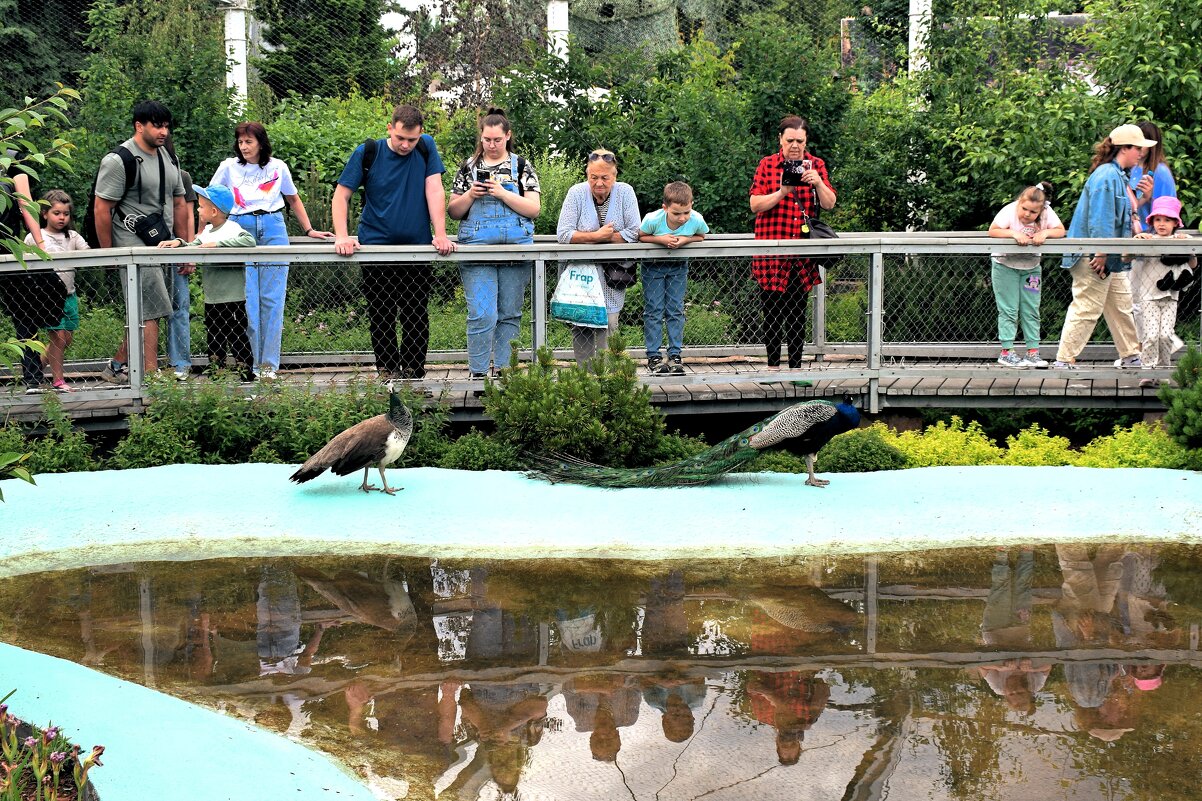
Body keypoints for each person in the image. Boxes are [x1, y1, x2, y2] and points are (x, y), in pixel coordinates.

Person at [332, 105, 456, 381]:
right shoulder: (368, 152)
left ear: (421, 134)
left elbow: (435, 189)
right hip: (376, 247)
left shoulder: (426, 147)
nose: (405, 144)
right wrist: (342, 235)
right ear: (390, 128)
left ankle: (413, 371)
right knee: (381, 312)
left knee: (415, 312)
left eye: (411, 140)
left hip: (417, 248)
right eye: (400, 138)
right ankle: (387, 371)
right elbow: (341, 196)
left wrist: (441, 233)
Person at [211, 121, 333, 380]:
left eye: (249, 142)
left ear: (261, 143)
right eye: (240, 142)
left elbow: (293, 198)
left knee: (272, 300)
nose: (244, 147)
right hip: (240, 229)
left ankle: (268, 366)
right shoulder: (228, 168)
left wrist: (309, 229)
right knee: (248, 300)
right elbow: (213, 199)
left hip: (273, 227)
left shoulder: (278, 167)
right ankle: (251, 364)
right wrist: (205, 235)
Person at [94, 100, 188, 383]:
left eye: (166, 126)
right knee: (151, 309)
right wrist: (109, 254)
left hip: (164, 243)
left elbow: (181, 202)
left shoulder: (168, 157)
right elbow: (102, 208)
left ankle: (116, 364)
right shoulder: (119, 159)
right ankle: (150, 377)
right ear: (139, 126)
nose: (164, 132)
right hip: (131, 243)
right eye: (157, 125)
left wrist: (185, 246)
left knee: (151, 308)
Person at [447, 108, 542, 379]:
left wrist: (501, 193)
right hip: (477, 249)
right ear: (481, 137)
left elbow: (534, 209)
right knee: (482, 313)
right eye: (486, 139)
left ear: (507, 136)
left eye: (497, 140)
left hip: (516, 250)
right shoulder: (468, 167)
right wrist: (470, 195)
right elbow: (453, 211)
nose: (491, 145)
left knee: (510, 313)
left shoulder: (522, 166)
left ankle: (504, 371)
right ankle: (477, 374)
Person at [1052, 124, 1154, 370]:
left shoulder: (1118, 175)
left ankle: (1130, 355)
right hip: (1095, 256)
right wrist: (1100, 253)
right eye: (1138, 148)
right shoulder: (1107, 176)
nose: (1141, 153)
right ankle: (1063, 361)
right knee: (1087, 307)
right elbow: (1101, 218)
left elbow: (1122, 216)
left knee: (1121, 306)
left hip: (1109, 257)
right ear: (1124, 148)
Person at [750, 116, 837, 371]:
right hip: (771, 253)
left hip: (803, 254)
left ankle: (797, 369)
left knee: (798, 315)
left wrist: (818, 182)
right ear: (781, 139)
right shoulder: (768, 165)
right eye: (790, 140)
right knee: (772, 315)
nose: (795, 145)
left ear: (806, 139)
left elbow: (829, 203)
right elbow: (755, 204)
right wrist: (781, 193)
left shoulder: (816, 165)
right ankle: (773, 368)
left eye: (800, 140)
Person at [158, 184, 257, 380]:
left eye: (201, 206)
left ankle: (246, 373)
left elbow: (250, 241)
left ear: (213, 211)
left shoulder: (232, 228)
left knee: (237, 335)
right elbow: (194, 245)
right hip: (212, 298)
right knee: (214, 335)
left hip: (233, 297)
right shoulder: (207, 232)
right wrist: (180, 242)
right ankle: (216, 373)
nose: (197, 209)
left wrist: (219, 245)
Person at [555, 149, 641, 367]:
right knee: (582, 324)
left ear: (615, 175)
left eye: (605, 177)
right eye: (594, 177)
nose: (599, 183)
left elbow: (634, 231)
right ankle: (585, 377)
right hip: (581, 275)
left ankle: (608, 376)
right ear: (587, 174)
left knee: (610, 323)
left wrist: (603, 239)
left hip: (613, 274)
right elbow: (564, 234)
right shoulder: (576, 193)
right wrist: (596, 236)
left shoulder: (625, 192)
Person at [0, 148, 61, 393]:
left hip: (9, 249)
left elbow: (27, 205)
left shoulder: (13, 157)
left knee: (24, 313)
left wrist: (40, 242)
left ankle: (32, 378)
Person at [986, 182, 1065, 368]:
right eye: (1024, 209)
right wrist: (1013, 233)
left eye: (1033, 212)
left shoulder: (1047, 212)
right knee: (1009, 309)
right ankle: (1007, 352)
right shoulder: (1009, 211)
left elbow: (1060, 230)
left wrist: (1045, 233)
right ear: (1019, 203)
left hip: (1031, 267)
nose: (1027, 215)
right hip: (1005, 265)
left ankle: (1033, 352)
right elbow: (993, 230)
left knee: (1031, 309)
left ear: (1040, 211)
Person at [638, 181, 709, 375]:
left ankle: (675, 354)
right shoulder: (653, 219)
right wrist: (659, 239)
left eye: (686, 212)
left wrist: (687, 239)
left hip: (678, 267)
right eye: (676, 213)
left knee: (675, 309)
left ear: (691, 205)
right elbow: (641, 236)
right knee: (654, 310)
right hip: (653, 267)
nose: (682, 218)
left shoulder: (696, 219)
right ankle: (654, 355)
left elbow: (702, 236)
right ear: (665, 208)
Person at [22, 190, 88, 392]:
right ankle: (58, 381)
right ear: (44, 214)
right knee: (57, 337)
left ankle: (38, 368)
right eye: (56, 213)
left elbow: (89, 254)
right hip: (47, 296)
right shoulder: (35, 237)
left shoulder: (73, 236)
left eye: (65, 214)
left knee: (66, 338)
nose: (61, 218)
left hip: (70, 295)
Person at [1128, 196, 1196, 385]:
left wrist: (1186, 246)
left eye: (1167, 220)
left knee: (1166, 335)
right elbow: (1126, 258)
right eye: (1158, 220)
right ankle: (1148, 371)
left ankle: (1163, 369)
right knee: (1150, 335)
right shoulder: (1148, 239)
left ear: (1175, 222)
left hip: (1170, 296)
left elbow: (1193, 263)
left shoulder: (1180, 240)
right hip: (1149, 295)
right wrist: (1137, 239)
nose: (1162, 224)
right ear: (1152, 222)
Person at [163, 135, 196, 381]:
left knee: (179, 306)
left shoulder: (181, 176)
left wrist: (189, 251)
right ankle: (145, 364)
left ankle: (180, 363)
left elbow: (188, 215)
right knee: (147, 310)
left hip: (177, 246)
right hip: (148, 246)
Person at [1128, 121, 1175, 231]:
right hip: (1129, 234)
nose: (1137, 146)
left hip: (1149, 236)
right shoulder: (1129, 167)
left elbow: (1168, 210)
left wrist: (1148, 197)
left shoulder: (1161, 172)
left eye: (1142, 143)